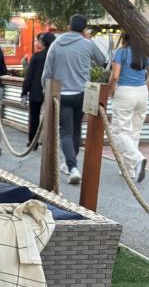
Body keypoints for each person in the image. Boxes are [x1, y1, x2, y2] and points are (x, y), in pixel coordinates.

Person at [41, 14, 106, 185]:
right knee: (76, 129)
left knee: (66, 131)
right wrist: (88, 40)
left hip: (61, 93)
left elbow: (47, 72)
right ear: (84, 29)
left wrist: (44, 89)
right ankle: (72, 164)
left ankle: (72, 166)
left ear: (69, 27)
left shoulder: (55, 44)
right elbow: (103, 61)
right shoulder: (87, 44)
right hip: (82, 94)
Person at [107, 32, 149, 183]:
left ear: (124, 38)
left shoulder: (121, 52)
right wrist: (145, 88)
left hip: (125, 92)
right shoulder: (145, 54)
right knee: (135, 131)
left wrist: (110, 90)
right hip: (142, 92)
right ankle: (130, 170)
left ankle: (137, 159)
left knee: (120, 132)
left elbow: (115, 76)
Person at [21, 32, 56, 148]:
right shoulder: (55, 56)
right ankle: (47, 142)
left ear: (44, 42)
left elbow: (29, 76)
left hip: (36, 90)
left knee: (34, 117)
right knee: (50, 117)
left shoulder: (37, 56)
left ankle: (33, 141)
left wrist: (24, 92)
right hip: (52, 90)